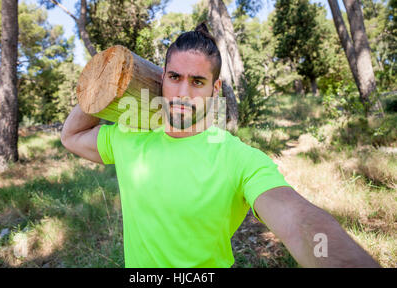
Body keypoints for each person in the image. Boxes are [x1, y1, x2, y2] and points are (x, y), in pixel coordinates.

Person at [60, 23, 380, 268]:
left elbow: (300, 221)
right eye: (174, 77)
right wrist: (101, 85)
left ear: (215, 89)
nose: (183, 92)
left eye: (197, 82)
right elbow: (70, 137)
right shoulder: (129, 136)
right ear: (160, 79)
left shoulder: (238, 158)